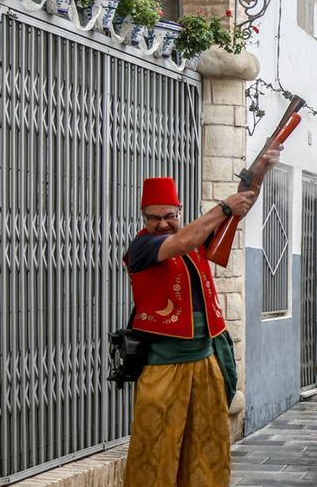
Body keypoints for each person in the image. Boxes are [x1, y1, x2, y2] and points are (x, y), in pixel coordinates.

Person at [122, 169, 270, 486]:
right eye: (154, 217)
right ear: (143, 217)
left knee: (207, 450)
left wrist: (253, 184)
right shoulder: (142, 248)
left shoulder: (194, 236)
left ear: (180, 212)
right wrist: (225, 206)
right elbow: (181, 241)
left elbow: (218, 230)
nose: (162, 223)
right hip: (163, 367)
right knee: (155, 455)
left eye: (169, 216)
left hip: (204, 363)